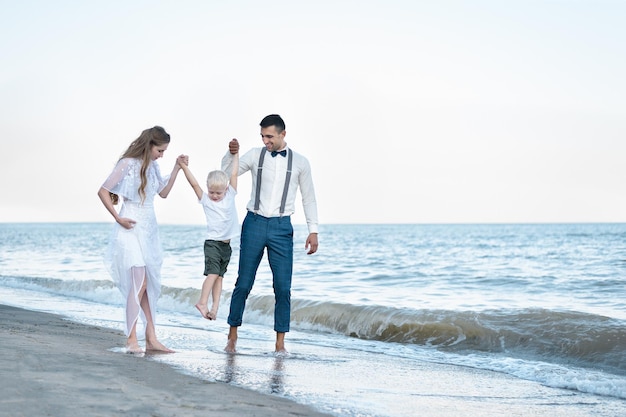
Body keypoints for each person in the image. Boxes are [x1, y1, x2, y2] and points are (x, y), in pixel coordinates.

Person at [221, 114, 319, 354]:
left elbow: (309, 197)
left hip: (282, 227)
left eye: (270, 136)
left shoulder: (301, 163)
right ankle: (232, 335)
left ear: (283, 134)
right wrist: (231, 154)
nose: (266, 141)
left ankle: (280, 344)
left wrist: (313, 230)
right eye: (263, 136)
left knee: (283, 288)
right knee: (244, 283)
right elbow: (226, 173)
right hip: (253, 223)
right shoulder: (255, 155)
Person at [97, 126, 186, 354]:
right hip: (130, 227)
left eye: (164, 151)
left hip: (149, 229)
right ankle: (131, 340)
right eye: (160, 150)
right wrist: (118, 218)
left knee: (149, 285)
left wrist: (176, 168)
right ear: (149, 145)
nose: (161, 155)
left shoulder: (154, 167)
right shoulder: (127, 163)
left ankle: (151, 338)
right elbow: (103, 190)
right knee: (138, 283)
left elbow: (163, 192)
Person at [178, 148, 239, 321]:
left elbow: (234, 174)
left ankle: (214, 308)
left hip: (226, 246)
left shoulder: (230, 195)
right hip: (212, 243)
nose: (214, 195)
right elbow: (194, 184)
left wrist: (236, 154)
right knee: (212, 274)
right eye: (211, 192)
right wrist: (183, 167)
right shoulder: (205, 199)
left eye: (218, 193)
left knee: (219, 277)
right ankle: (202, 302)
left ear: (226, 189)